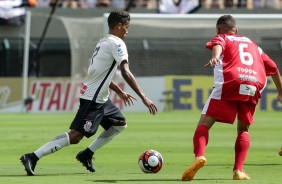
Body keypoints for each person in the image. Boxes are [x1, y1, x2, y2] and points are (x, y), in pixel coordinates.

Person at [20, 10, 158, 176]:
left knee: (119, 124)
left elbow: (100, 74)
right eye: (126, 27)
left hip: (99, 96)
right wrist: (144, 97)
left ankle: (87, 154)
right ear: (118, 25)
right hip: (93, 99)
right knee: (76, 136)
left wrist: (120, 91)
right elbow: (126, 71)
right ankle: (32, 156)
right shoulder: (117, 44)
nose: (127, 31)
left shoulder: (103, 42)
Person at [181, 15, 282, 181]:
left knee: (204, 123)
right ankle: (238, 170)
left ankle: (199, 156)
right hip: (253, 84)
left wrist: (215, 56)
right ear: (236, 30)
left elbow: (218, 44)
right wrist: (280, 92)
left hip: (231, 81)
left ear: (218, 29)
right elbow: (274, 68)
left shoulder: (222, 37)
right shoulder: (253, 45)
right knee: (243, 129)